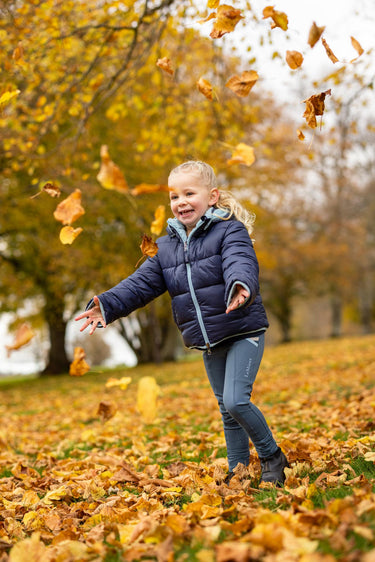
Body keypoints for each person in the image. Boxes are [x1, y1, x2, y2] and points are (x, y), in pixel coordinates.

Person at [75, 160, 289, 486]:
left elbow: (239, 261)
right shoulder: (166, 246)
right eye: (174, 196)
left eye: (190, 193)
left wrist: (240, 285)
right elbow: (140, 285)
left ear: (212, 196)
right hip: (209, 338)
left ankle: (273, 456)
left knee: (236, 400)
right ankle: (239, 471)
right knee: (226, 409)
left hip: (243, 329)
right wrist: (107, 305)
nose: (181, 202)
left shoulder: (229, 230)